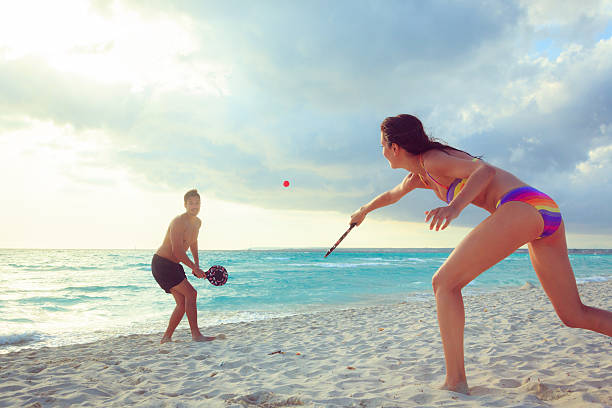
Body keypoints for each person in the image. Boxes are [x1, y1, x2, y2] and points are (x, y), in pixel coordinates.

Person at [350, 114, 612, 394]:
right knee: (573, 314)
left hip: (521, 205)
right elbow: (392, 195)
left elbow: (484, 171)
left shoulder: (433, 160)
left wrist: (454, 207)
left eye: (382, 145)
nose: (381, 151)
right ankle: (456, 380)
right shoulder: (420, 176)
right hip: (543, 209)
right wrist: (363, 211)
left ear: (394, 147)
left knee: (444, 283)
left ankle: (455, 382)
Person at [151, 189, 217, 343]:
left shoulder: (197, 222)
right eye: (191, 203)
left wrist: (197, 264)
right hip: (162, 264)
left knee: (182, 303)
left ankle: (166, 338)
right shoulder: (178, 221)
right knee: (191, 294)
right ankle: (196, 335)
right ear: (185, 205)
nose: (194, 206)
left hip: (174, 265)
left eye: (197, 203)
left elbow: (193, 242)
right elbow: (177, 251)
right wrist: (194, 268)